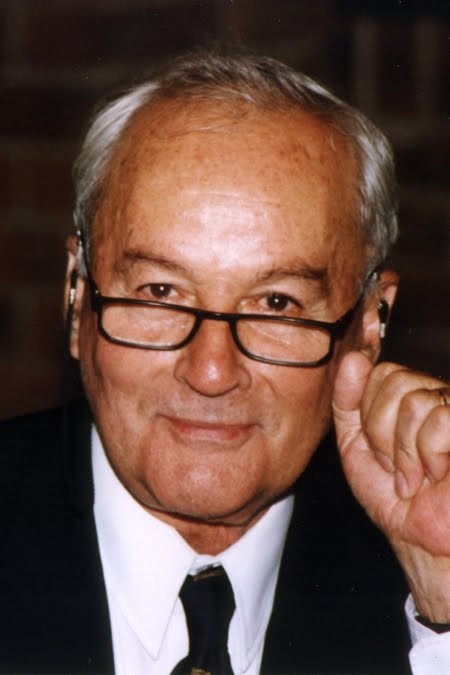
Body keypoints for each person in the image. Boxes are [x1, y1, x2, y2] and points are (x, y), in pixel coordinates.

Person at [0, 48, 449, 675]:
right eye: (160, 292)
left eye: (277, 303)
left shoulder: (421, 572)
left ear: (371, 323)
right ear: (78, 298)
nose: (211, 372)